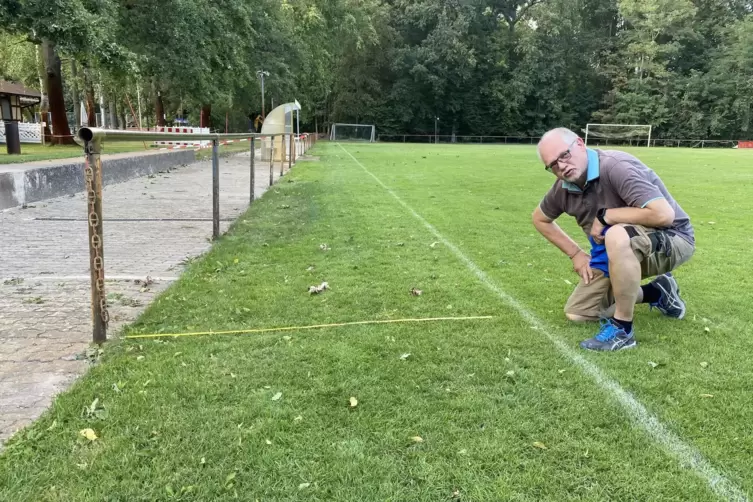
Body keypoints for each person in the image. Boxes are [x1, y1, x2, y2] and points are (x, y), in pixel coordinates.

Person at [532, 128, 695, 351]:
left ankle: (623, 329)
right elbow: (540, 219)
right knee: (579, 313)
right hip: (615, 252)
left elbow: (664, 215)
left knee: (616, 233)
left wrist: (607, 216)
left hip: (673, 240)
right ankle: (658, 292)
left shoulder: (615, 167)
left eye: (564, 155)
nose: (561, 166)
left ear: (580, 144)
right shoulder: (563, 188)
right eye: (552, 164)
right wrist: (576, 254)